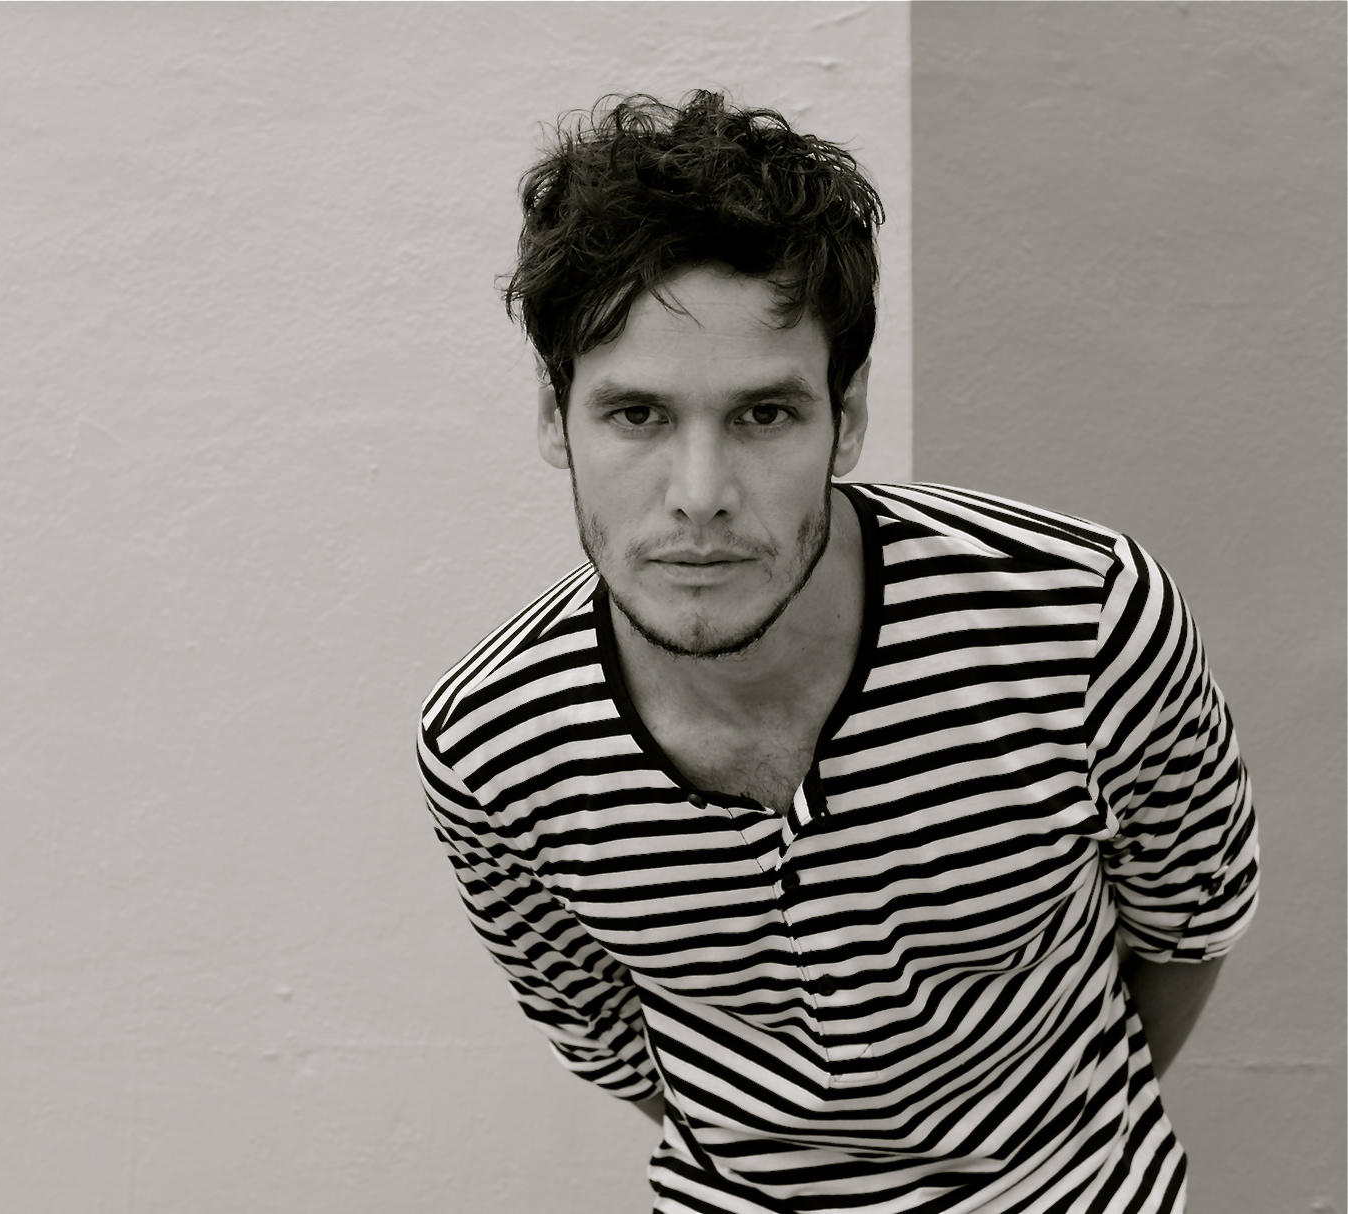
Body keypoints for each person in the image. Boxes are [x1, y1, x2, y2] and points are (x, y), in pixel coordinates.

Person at [417, 91, 1258, 1214]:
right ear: (551, 415)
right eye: (636, 415)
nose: (700, 496)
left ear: (845, 415)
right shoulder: (491, 748)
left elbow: (1186, 923)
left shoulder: (1082, 622)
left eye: (762, 414)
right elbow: (606, 1036)